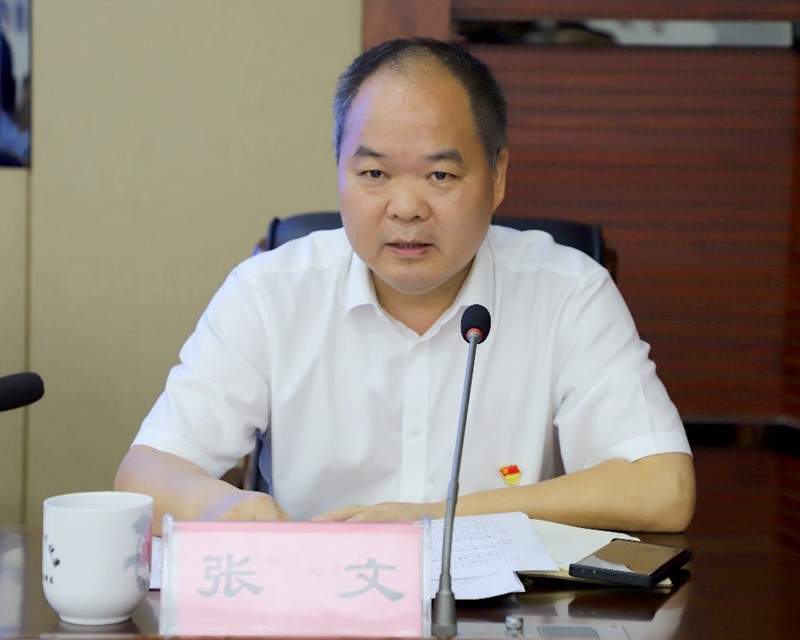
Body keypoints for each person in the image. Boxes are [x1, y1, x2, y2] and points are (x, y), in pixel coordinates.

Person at [115, 38, 695, 534]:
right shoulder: (269, 293)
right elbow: (145, 473)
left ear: (497, 177)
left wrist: (432, 520)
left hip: (505, 611)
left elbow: (663, 489)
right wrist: (222, 507)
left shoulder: (567, 291)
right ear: (339, 171)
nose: (406, 207)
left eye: (440, 174)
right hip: (317, 603)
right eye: (374, 173)